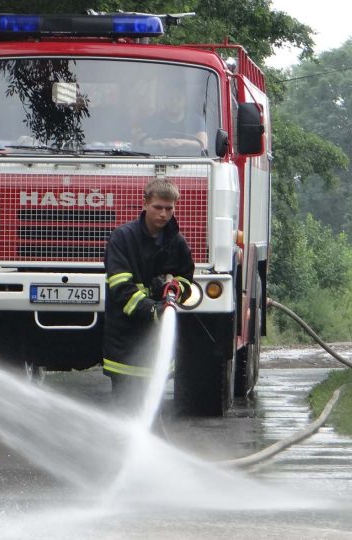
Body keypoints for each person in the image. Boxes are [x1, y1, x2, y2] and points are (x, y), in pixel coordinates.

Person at [102, 179, 194, 407]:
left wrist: (175, 288)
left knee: (152, 410)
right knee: (125, 410)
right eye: (158, 207)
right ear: (144, 204)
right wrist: (153, 309)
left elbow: (186, 279)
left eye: (169, 209)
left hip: (157, 343)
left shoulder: (177, 242)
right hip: (126, 340)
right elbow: (121, 288)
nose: (164, 214)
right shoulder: (123, 238)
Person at [139, 86, 207, 156]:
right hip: (156, 160)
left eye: (178, 98)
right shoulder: (152, 120)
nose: (174, 102)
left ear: (185, 101)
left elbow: (203, 144)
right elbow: (141, 141)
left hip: (190, 162)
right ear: (164, 101)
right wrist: (161, 143)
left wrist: (181, 142)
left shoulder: (196, 120)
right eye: (170, 99)